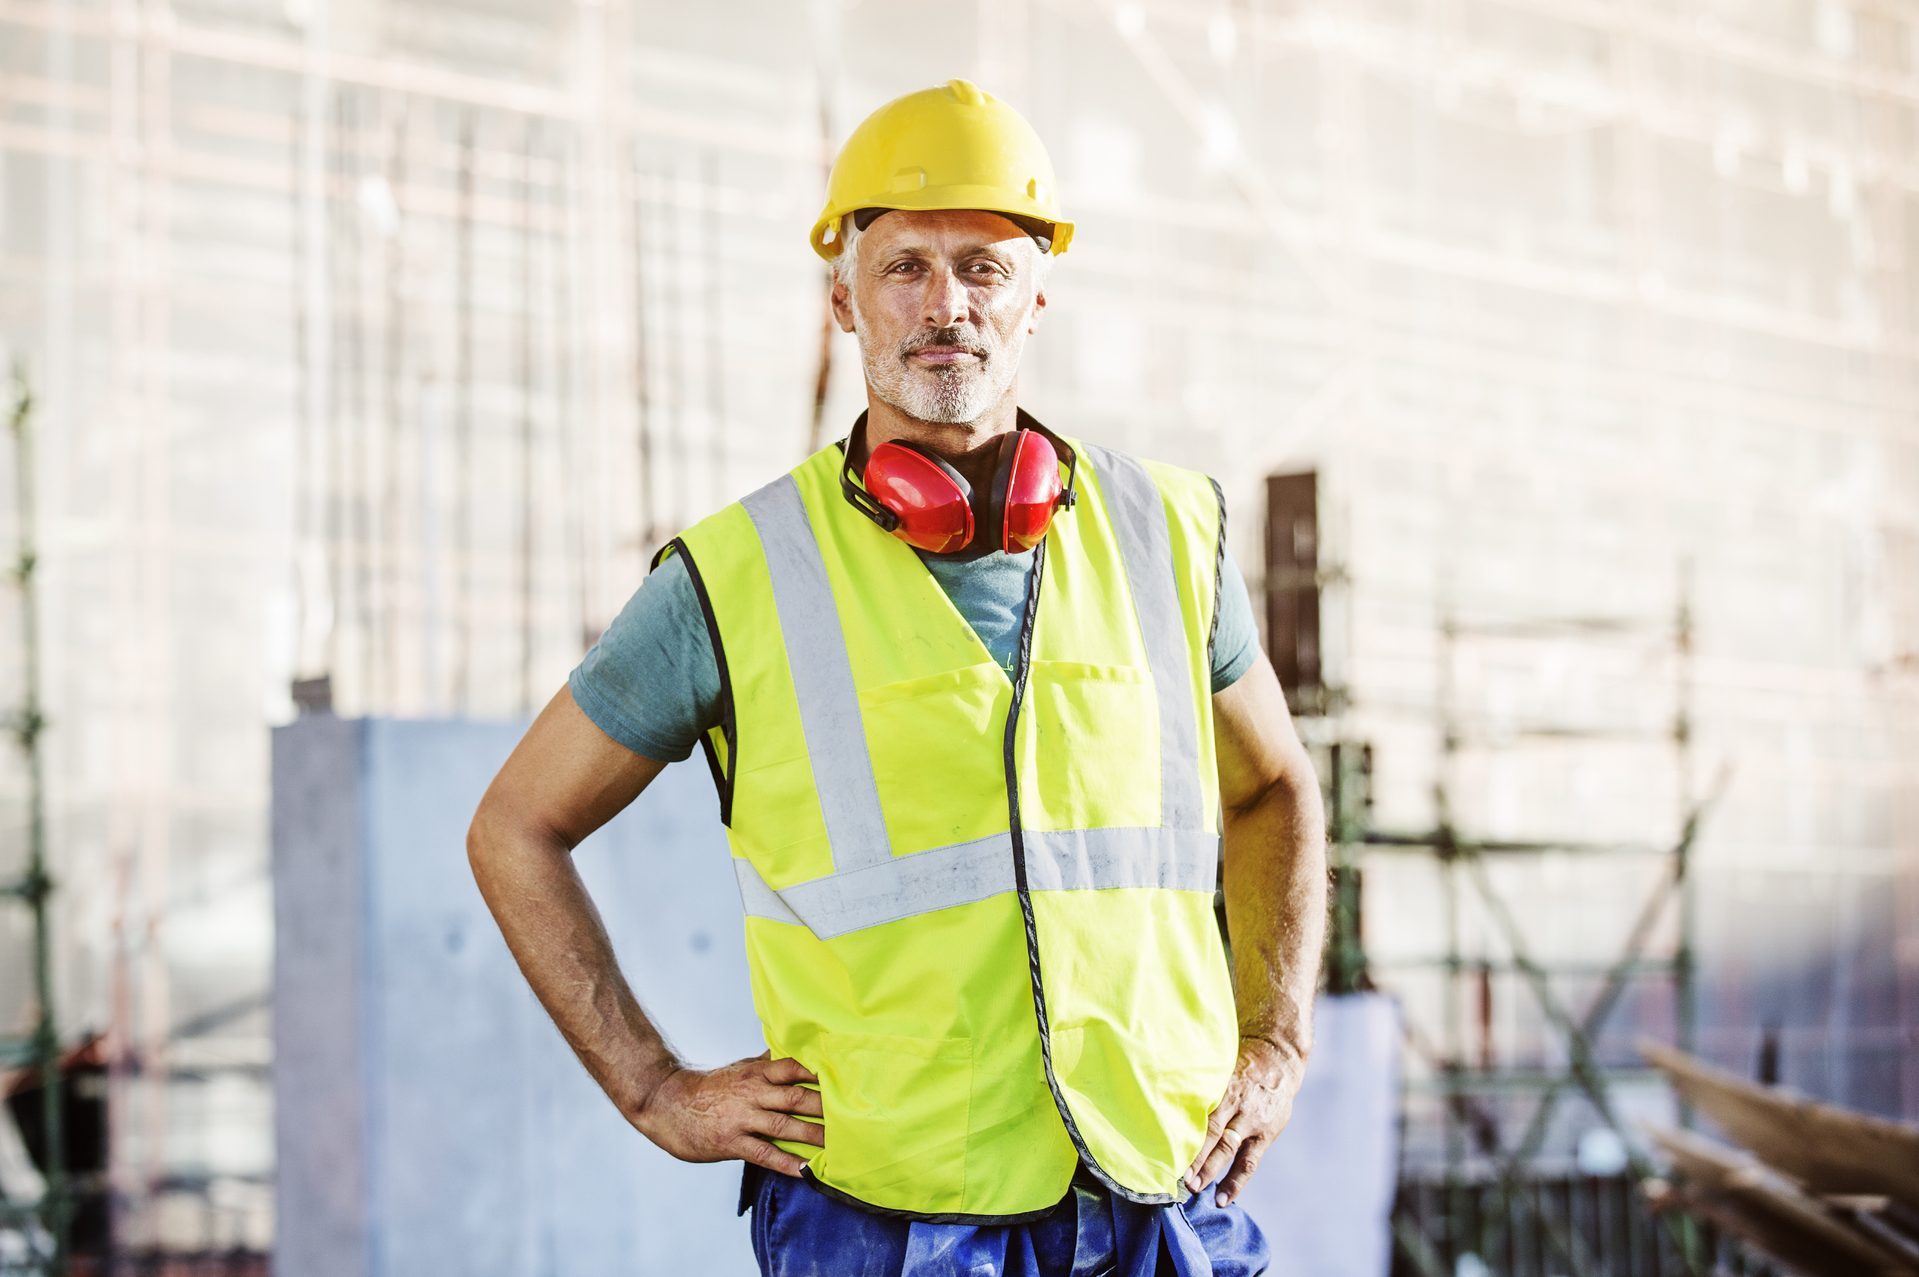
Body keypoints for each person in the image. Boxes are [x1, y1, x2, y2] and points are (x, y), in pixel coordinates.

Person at [467, 78, 1328, 1276]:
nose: (946, 306)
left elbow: (1272, 785)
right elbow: (515, 823)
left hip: (1159, 1185)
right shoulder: (736, 575)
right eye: (904, 266)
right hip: (890, 1215)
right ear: (841, 300)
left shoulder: (1169, 532)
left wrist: (1274, 1036)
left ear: (1037, 299)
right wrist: (654, 1088)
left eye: (982, 267)